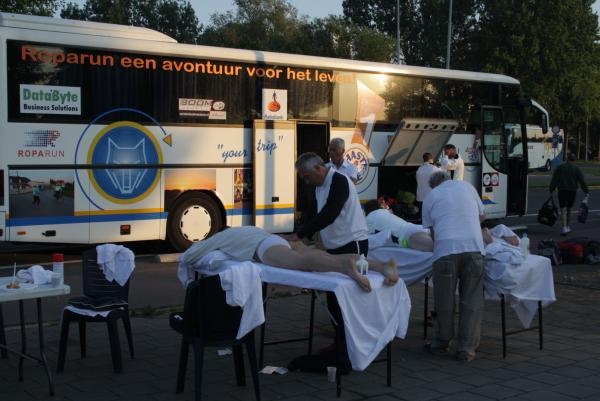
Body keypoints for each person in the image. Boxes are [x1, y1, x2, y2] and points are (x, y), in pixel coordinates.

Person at [178, 226, 398, 292]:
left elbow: (190, 255)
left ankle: (345, 267)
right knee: (321, 256)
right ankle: (381, 266)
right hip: (277, 240)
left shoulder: (221, 237)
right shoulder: (247, 228)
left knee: (302, 264)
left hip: (264, 249)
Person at [422, 171, 485, 362]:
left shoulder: (431, 197)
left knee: (445, 300)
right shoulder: (468, 187)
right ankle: (467, 348)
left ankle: (441, 343)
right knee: (472, 301)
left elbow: (434, 234)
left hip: (446, 251)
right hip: (474, 248)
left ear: (434, 185)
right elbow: (482, 217)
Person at [364, 199, 433, 252]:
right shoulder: (385, 212)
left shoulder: (369, 219)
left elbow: (364, 237)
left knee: (432, 246)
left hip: (406, 236)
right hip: (412, 227)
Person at [549, 152, 589, 235]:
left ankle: (564, 227)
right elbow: (582, 181)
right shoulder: (576, 169)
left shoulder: (560, 167)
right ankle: (568, 226)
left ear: (567, 158)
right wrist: (586, 191)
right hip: (572, 191)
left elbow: (554, 180)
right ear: (574, 160)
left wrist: (551, 189)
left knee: (563, 209)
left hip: (562, 190)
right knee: (569, 209)